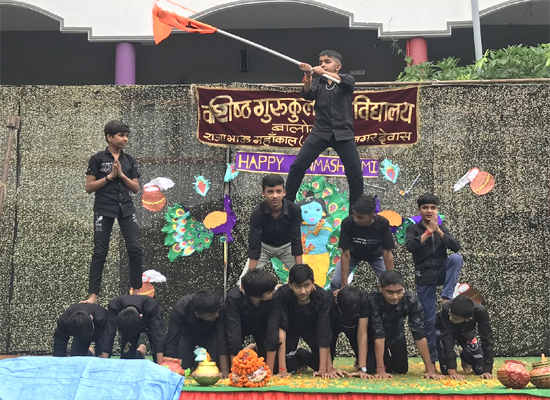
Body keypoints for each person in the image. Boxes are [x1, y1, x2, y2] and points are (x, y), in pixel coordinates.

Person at [285, 50, 363, 208]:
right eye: (321, 62)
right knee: (297, 167)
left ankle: (356, 213)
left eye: (327, 62)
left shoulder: (347, 79)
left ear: (337, 66)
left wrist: (321, 72)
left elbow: (347, 84)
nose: (322, 65)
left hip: (344, 134)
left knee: (355, 174)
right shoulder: (318, 82)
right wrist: (308, 75)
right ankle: (286, 206)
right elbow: (307, 94)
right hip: (320, 132)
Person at [83, 120, 142, 304]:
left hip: (126, 208)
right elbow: (89, 187)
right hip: (104, 208)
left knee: (135, 249)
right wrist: (109, 177)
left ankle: (136, 291)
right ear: (109, 137)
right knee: (100, 251)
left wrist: (122, 175)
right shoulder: (97, 159)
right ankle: (93, 296)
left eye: (127, 136)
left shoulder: (129, 160)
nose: (125, 139)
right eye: (121, 135)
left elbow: (136, 188)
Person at [405, 193, 463, 364]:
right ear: (419, 210)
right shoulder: (413, 229)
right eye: (425, 208)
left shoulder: (441, 228)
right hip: (424, 275)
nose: (429, 211)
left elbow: (456, 247)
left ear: (437, 210)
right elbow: (410, 246)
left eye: (433, 208)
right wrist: (428, 232)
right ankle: (432, 359)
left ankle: (446, 296)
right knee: (428, 319)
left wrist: (437, 230)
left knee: (456, 258)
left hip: (441, 271)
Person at [368, 270, 442, 379]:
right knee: (377, 368)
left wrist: (430, 369)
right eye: (390, 292)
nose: (395, 297)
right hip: (374, 336)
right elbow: (378, 333)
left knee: (401, 369)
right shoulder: (373, 299)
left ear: (403, 288)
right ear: (380, 288)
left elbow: (419, 334)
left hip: (396, 334)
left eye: (399, 291)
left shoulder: (410, 300)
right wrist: (380, 369)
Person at [276, 264, 342, 378]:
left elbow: (324, 331)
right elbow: (281, 329)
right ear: (290, 285)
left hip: (311, 329)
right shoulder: (282, 295)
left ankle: (300, 354)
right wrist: (282, 370)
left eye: (307, 286)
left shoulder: (322, 297)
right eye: (297, 286)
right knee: (276, 367)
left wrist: (324, 369)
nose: (303, 291)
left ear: (313, 283)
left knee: (319, 364)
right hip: (290, 328)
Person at [239, 174, 302, 280]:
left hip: (287, 247)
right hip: (264, 247)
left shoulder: (294, 210)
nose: (275, 196)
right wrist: (250, 278)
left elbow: (296, 239)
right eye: (270, 192)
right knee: (244, 282)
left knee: (303, 278)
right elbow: (254, 244)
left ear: (284, 192)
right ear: (263, 193)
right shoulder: (257, 212)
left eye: (278, 191)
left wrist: (300, 271)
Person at [330, 194, 394, 291]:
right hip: (353, 255)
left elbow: (387, 254)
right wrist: (343, 284)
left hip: (376, 255)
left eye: (360, 217)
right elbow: (345, 254)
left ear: (372, 216)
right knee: (336, 282)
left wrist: (390, 282)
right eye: (354, 215)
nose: (356, 219)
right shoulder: (347, 223)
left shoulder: (383, 223)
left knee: (388, 283)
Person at [225, 269, 280, 372]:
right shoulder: (234, 297)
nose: (274, 292)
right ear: (255, 296)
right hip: (241, 326)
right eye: (269, 292)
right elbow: (233, 332)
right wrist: (235, 370)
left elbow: (273, 329)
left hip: (262, 327)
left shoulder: (274, 297)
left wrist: (269, 371)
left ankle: (254, 347)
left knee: (272, 365)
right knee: (227, 362)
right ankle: (250, 348)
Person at [165, 289, 229, 377]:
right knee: (183, 366)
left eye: (217, 312)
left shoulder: (219, 306)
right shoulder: (182, 306)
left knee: (214, 367)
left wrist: (224, 370)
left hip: (211, 335)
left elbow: (221, 338)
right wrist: (170, 368)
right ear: (197, 314)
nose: (217, 315)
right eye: (211, 315)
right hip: (186, 335)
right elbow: (172, 338)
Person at [436, 294, 494, 380]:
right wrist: (452, 368)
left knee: (480, 370)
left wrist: (487, 369)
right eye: (450, 315)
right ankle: (449, 362)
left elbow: (487, 338)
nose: (451, 318)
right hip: (445, 332)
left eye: (455, 318)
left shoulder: (480, 312)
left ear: (467, 319)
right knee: (446, 370)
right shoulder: (446, 308)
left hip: (466, 333)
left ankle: (464, 355)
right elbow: (447, 338)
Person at [101, 294, 165, 363]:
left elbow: (158, 337)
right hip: (128, 325)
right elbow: (109, 334)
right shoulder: (115, 306)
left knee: (157, 354)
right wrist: (103, 363)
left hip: (148, 322)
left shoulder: (151, 306)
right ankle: (140, 351)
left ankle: (142, 349)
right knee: (126, 358)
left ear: (141, 316)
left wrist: (160, 366)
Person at [330, 285, 373, 379]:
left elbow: (362, 334)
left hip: (354, 329)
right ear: (336, 301)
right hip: (333, 328)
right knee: (319, 365)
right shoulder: (329, 301)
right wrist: (329, 368)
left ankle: (359, 361)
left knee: (370, 367)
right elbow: (325, 334)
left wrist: (362, 369)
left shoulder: (364, 300)